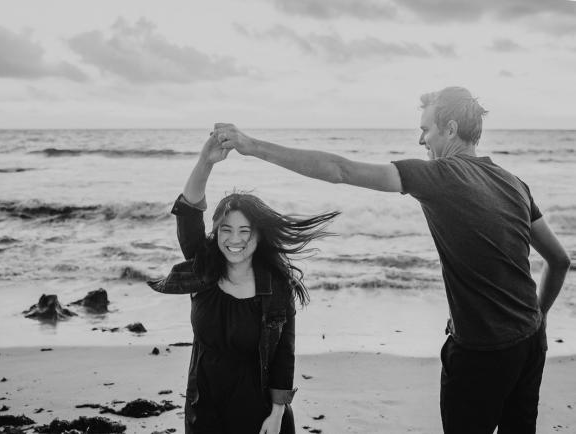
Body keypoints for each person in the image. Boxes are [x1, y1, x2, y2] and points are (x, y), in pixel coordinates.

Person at [214, 86, 571, 434]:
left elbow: (341, 170)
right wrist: (537, 320)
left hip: (481, 354)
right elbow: (558, 260)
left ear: (450, 129)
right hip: (530, 342)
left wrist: (252, 146)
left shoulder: (440, 176)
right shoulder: (514, 183)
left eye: (425, 129)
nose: (421, 141)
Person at [148, 132, 339, 434]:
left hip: (260, 414)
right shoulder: (205, 270)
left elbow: (283, 355)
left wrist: (277, 414)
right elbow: (188, 211)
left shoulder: (277, 288)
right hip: (204, 409)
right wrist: (205, 162)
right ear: (216, 233)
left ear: (259, 235)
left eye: (244, 231)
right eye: (226, 230)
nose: (234, 240)